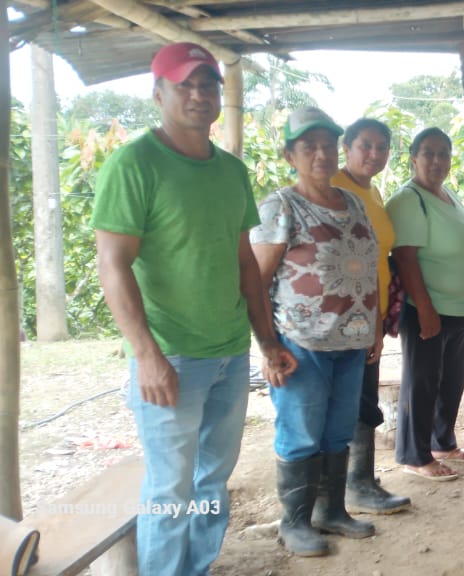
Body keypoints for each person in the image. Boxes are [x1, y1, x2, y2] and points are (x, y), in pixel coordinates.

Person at [93, 42, 297, 576]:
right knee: (170, 488)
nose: (199, 94)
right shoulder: (134, 164)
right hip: (173, 357)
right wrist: (147, 355)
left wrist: (266, 341)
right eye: (184, 84)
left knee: (211, 483)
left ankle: (197, 567)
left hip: (229, 353)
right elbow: (113, 264)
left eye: (208, 84)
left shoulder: (231, 171)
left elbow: (244, 263)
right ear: (157, 93)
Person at [251, 107, 382, 557]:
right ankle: (295, 523)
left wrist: (374, 325)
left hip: (352, 341)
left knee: (338, 432)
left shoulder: (353, 202)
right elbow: (256, 281)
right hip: (300, 343)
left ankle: (332, 511)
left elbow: (368, 268)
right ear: (290, 155)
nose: (322, 154)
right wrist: (268, 346)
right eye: (309, 147)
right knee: (301, 432)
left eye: (328, 145)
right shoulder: (280, 206)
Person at [386, 128, 464, 481]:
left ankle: (442, 443)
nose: (437, 160)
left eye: (444, 153)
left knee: (450, 382)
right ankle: (414, 455)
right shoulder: (408, 199)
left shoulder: (448, 194)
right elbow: (405, 258)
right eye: (429, 153)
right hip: (427, 309)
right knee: (422, 382)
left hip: (458, 311)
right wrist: (425, 308)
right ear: (413, 157)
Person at [330, 117, 411, 514]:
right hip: (342, 314)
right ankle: (352, 486)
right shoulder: (333, 187)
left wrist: (377, 320)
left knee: (362, 398)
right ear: (346, 148)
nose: (374, 154)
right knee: (351, 401)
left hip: (368, 314)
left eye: (382, 147)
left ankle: (359, 480)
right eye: (365, 145)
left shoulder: (372, 191)